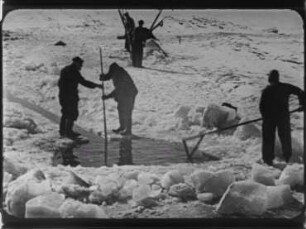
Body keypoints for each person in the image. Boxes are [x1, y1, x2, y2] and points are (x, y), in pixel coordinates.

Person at [259, 69, 305, 166]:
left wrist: (265, 117)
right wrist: (302, 104)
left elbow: (261, 107)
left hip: (272, 119)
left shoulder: (266, 91)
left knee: (270, 139)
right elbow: (301, 92)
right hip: (281, 118)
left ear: (270, 79)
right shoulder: (285, 87)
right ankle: (286, 158)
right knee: (284, 139)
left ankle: (268, 161)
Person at [58, 56, 103, 139]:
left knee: (65, 113)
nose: (81, 67)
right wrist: (96, 85)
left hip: (64, 96)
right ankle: (68, 132)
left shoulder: (66, 69)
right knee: (72, 113)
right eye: (80, 65)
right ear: (76, 63)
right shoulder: (73, 72)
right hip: (69, 97)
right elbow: (83, 82)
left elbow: (60, 83)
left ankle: (63, 131)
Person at [100, 62, 138, 135]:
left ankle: (128, 131)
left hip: (129, 93)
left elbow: (118, 89)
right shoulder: (116, 72)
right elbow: (109, 76)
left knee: (127, 111)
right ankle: (122, 127)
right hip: (124, 94)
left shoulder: (120, 75)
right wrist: (103, 77)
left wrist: (107, 96)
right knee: (121, 109)